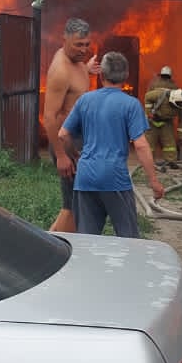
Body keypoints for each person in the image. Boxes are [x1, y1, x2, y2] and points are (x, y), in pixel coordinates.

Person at [59, 51, 165, 237]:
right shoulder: (131, 104)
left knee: (87, 240)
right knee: (128, 240)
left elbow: (63, 134)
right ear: (126, 76)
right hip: (115, 179)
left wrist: (74, 155)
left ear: (101, 75)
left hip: (85, 179)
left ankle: (89, 267)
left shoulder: (85, 100)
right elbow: (140, 145)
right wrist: (154, 181)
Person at [44, 17, 99, 234]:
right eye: (78, 44)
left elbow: (74, 88)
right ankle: (51, 249)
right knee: (71, 207)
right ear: (64, 39)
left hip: (77, 140)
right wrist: (61, 156)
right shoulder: (61, 71)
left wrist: (87, 69)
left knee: (78, 202)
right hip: (66, 142)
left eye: (86, 44)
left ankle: (58, 245)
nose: (83, 49)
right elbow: (49, 117)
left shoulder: (76, 63)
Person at [144, 65, 182, 167]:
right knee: (169, 143)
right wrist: (181, 136)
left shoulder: (153, 83)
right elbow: (180, 108)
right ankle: (171, 161)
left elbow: (147, 97)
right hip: (166, 120)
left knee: (150, 143)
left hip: (154, 119)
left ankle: (148, 161)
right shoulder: (175, 86)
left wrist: (149, 114)